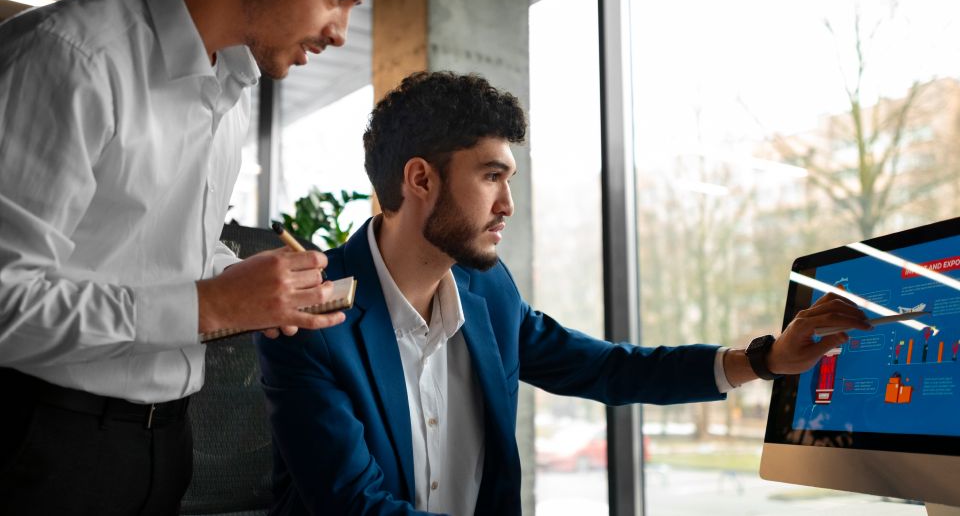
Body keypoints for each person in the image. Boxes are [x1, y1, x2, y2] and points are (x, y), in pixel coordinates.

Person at [254, 71, 871, 515]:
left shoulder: (488, 294)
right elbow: (355, 507)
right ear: (420, 178)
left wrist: (763, 360)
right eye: (492, 175)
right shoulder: (310, 310)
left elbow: (603, 369)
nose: (508, 205)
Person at [0, 0, 391, 514]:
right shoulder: (71, 56)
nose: (342, 32)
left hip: (165, 445)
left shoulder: (232, 90)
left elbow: (168, 247)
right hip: (38, 440)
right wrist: (210, 307)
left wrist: (243, 284)